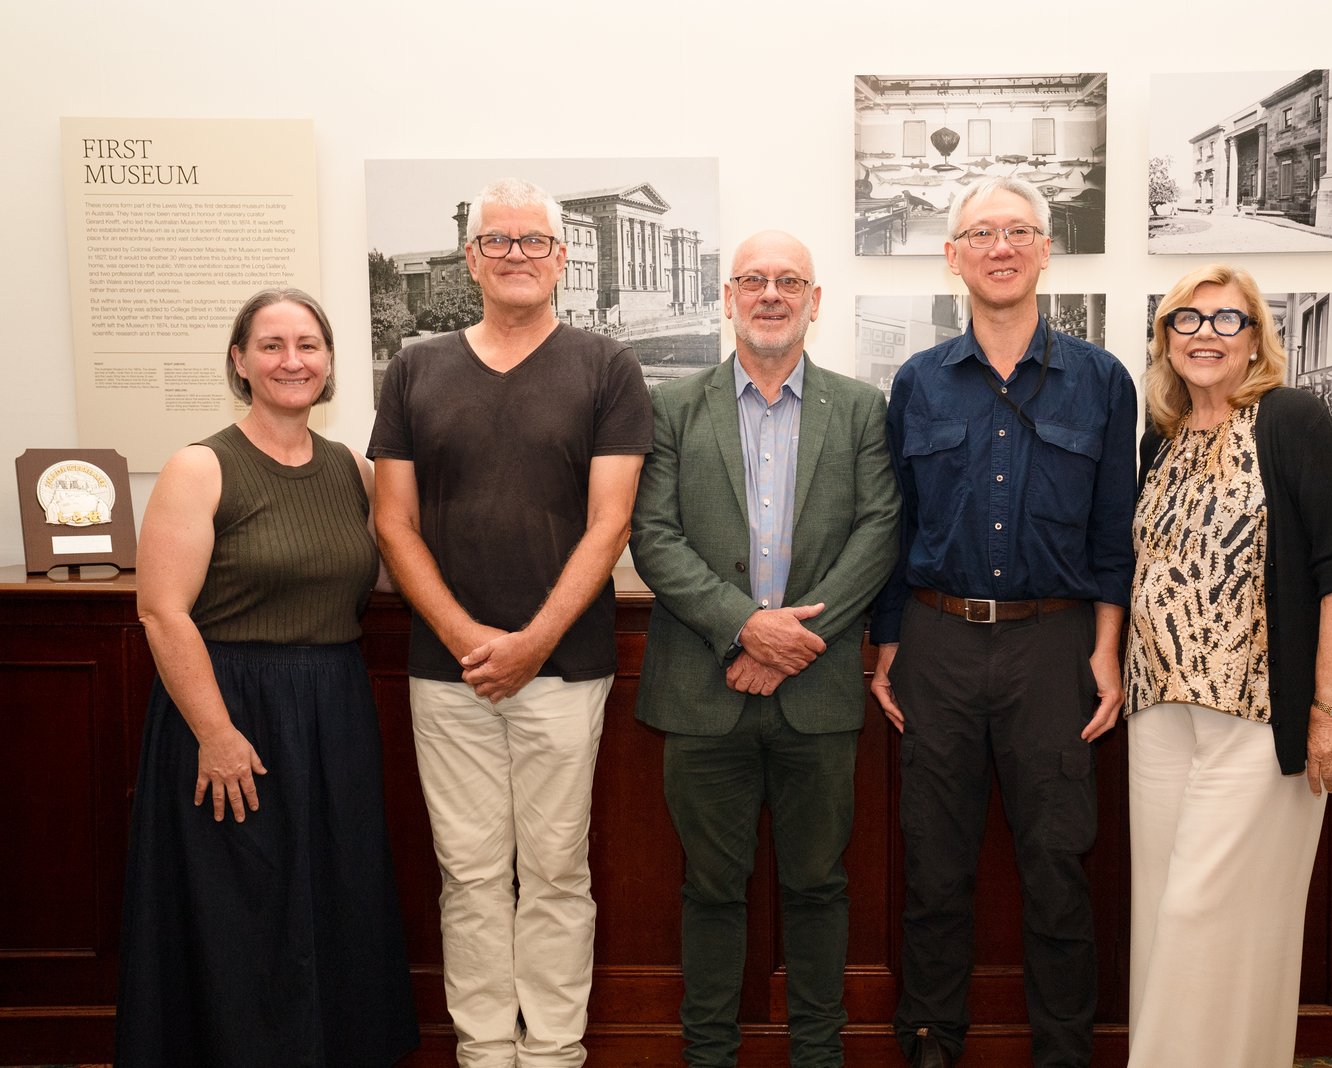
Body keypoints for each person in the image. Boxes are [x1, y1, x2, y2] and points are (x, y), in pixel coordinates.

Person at [368, 177, 652, 1067]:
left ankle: (555, 1052)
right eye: (500, 241)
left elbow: (611, 523)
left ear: (562, 258)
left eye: (535, 241)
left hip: (567, 669)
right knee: (472, 875)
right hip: (444, 670)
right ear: (472, 257)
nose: (517, 254)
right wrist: (463, 636)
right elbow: (392, 522)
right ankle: (485, 1050)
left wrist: (532, 643)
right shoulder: (415, 366)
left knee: (558, 874)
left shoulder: (607, 367)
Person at [869, 176, 1137, 1068]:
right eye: (981, 232)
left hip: (1054, 646)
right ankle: (930, 1040)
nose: (1001, 246)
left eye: (1019, 230)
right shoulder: (916, 383)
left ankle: (1064, 1051)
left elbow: (1112, 533)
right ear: (953, 255)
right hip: (938, 644)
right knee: (933, 866)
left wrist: (1106, 652)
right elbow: (896, 526)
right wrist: (888, 649)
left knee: (1060, 867)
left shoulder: (1102, 381)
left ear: (1045, 249)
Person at [117, 288, 418, 1067]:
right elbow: (163, 614)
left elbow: (385, 576)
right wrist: (215, 734)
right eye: (274, 345)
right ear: (240, 360)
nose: (294, 361)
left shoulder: (352, 466)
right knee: (241, 912)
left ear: (329, 363)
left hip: (335, 707)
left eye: (309, 345)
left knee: (334, 897)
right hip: (231, 710)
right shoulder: (200, 467)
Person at [631, 230, 900, 1067]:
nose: (771, 294)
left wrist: (793, 641)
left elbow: (880, 528)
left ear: (814, 300)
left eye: (790, 281)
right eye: (754, 280)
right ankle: (708, 1053)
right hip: (701, 692)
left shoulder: (859, 407)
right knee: (710, 889)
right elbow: (654, 535)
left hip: (816, 697)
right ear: (728, 297)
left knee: (818, 886)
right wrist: (745, 627)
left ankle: (819, 1053)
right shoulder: (673, 407)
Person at [1124, 264, 1332, 1067]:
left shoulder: (1291, 420)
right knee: (1164, 920)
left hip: (1260, 718)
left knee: (1212, 923)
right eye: (1185, 321)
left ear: (1256, 338)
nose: (1205, 335)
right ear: (1165, 339)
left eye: (1227, 320)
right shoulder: (1159, 438)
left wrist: (1331, 712)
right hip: (1157, 714)